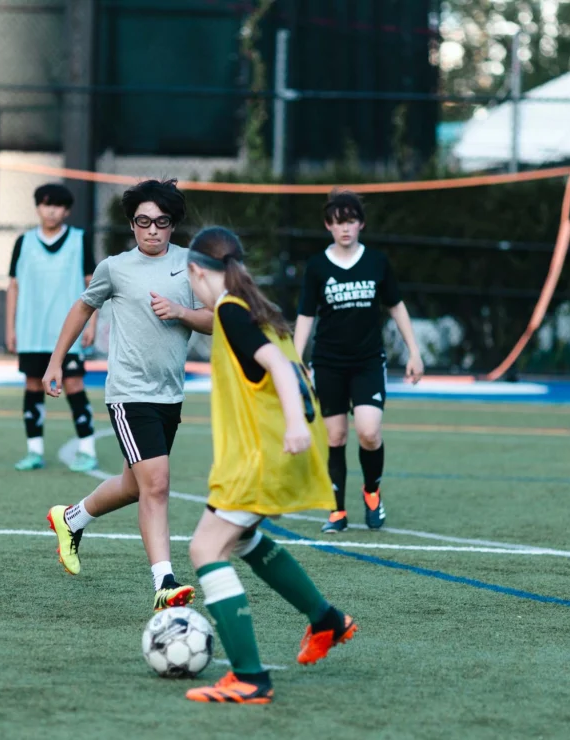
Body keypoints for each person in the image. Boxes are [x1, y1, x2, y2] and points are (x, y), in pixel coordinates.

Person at [180, 226, 357, 704]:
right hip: (281, 453)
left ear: (199, 271)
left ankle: (251, 678)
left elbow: (279, 369)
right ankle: (327, 620)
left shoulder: (231, 313)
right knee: (242, 538)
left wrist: (296, 424)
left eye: (189, 278)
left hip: (265, 456)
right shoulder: (258, 310)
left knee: (205, 550)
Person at [42, 179, 214, 612]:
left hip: (169, 394)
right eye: (143, 222)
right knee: (157, 484)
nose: (152, 230)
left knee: (133, 486)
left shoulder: (192, 265)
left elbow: (216, 319)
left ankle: (71, 518)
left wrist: (181, 313)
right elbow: (83, 307)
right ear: (132, 225)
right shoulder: (115, 268)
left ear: (173, 224)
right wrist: (56, 361)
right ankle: (164, 582)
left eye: (161, 222)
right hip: (128, 393)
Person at [293, 190, 424, 535]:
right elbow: (306, 315)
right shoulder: (318, 266)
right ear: (328, 226)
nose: (345, 228)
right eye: (338, 222)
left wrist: (414, 352)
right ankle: (337, 510)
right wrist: (295, 361)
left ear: (361, 223)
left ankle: (371, 492)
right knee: (335, 437)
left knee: (368, 431)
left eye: (350, 221)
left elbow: (396, 306)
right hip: (328, 363)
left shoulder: (377, 262)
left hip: (367, 362)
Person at [6, 183, 99, 472]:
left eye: (57, 205)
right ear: (37, 207)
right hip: (32, 332)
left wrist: (92, 322)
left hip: (67, 333)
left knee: (74, 385)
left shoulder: (79, 240)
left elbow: (92, 284)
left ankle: (87, 448)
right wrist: (10, 327)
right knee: (33, 386)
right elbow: (13, 286)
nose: (51, 210)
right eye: (46, 204)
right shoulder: (24, 242)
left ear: (67, 210)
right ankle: (34, 451)